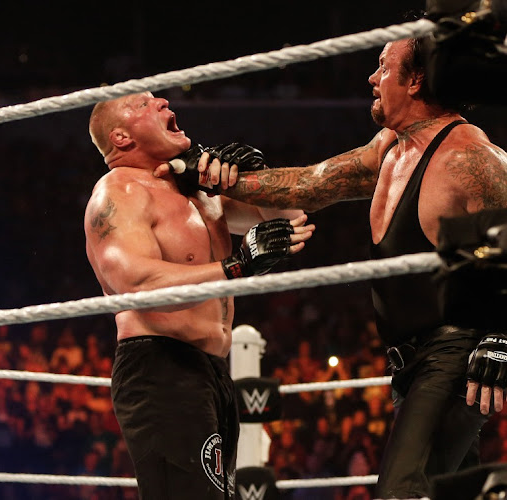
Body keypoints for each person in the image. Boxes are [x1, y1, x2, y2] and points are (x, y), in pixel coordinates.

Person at [157, 38, 507, 498]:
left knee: (401, 492)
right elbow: (310, 183)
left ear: (417, 79)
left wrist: (501, 337)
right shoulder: (390, 150)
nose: (372, 78)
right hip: (412, 362)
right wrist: (207, 172)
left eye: (383, 66)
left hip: (453, 357)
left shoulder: (467, 158)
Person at [84, 91, 314, 499]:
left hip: (212, 372)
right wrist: (236, 265)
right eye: (143, 104)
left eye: (158, 98)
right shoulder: (118, 192)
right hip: (160, 366)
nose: (163, 103)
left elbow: (291, 218)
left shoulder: (200, 195)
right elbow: (136, 285)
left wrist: (251, 177)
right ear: (120, 137)